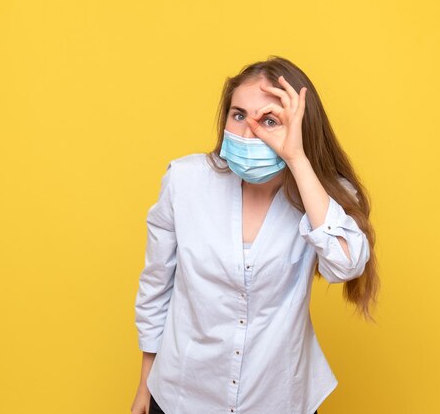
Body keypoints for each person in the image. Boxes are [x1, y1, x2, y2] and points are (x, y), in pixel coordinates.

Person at [131, 56, 380, 414]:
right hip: (182, 395)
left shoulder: (320, 198)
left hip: (276, 399)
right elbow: (156, 286)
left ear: (298, 127)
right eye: (239, 115)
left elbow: (345, 264)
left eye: (270, 120)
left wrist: (296, 158)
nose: (250, 132)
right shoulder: (184, 181)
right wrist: (145, 382)